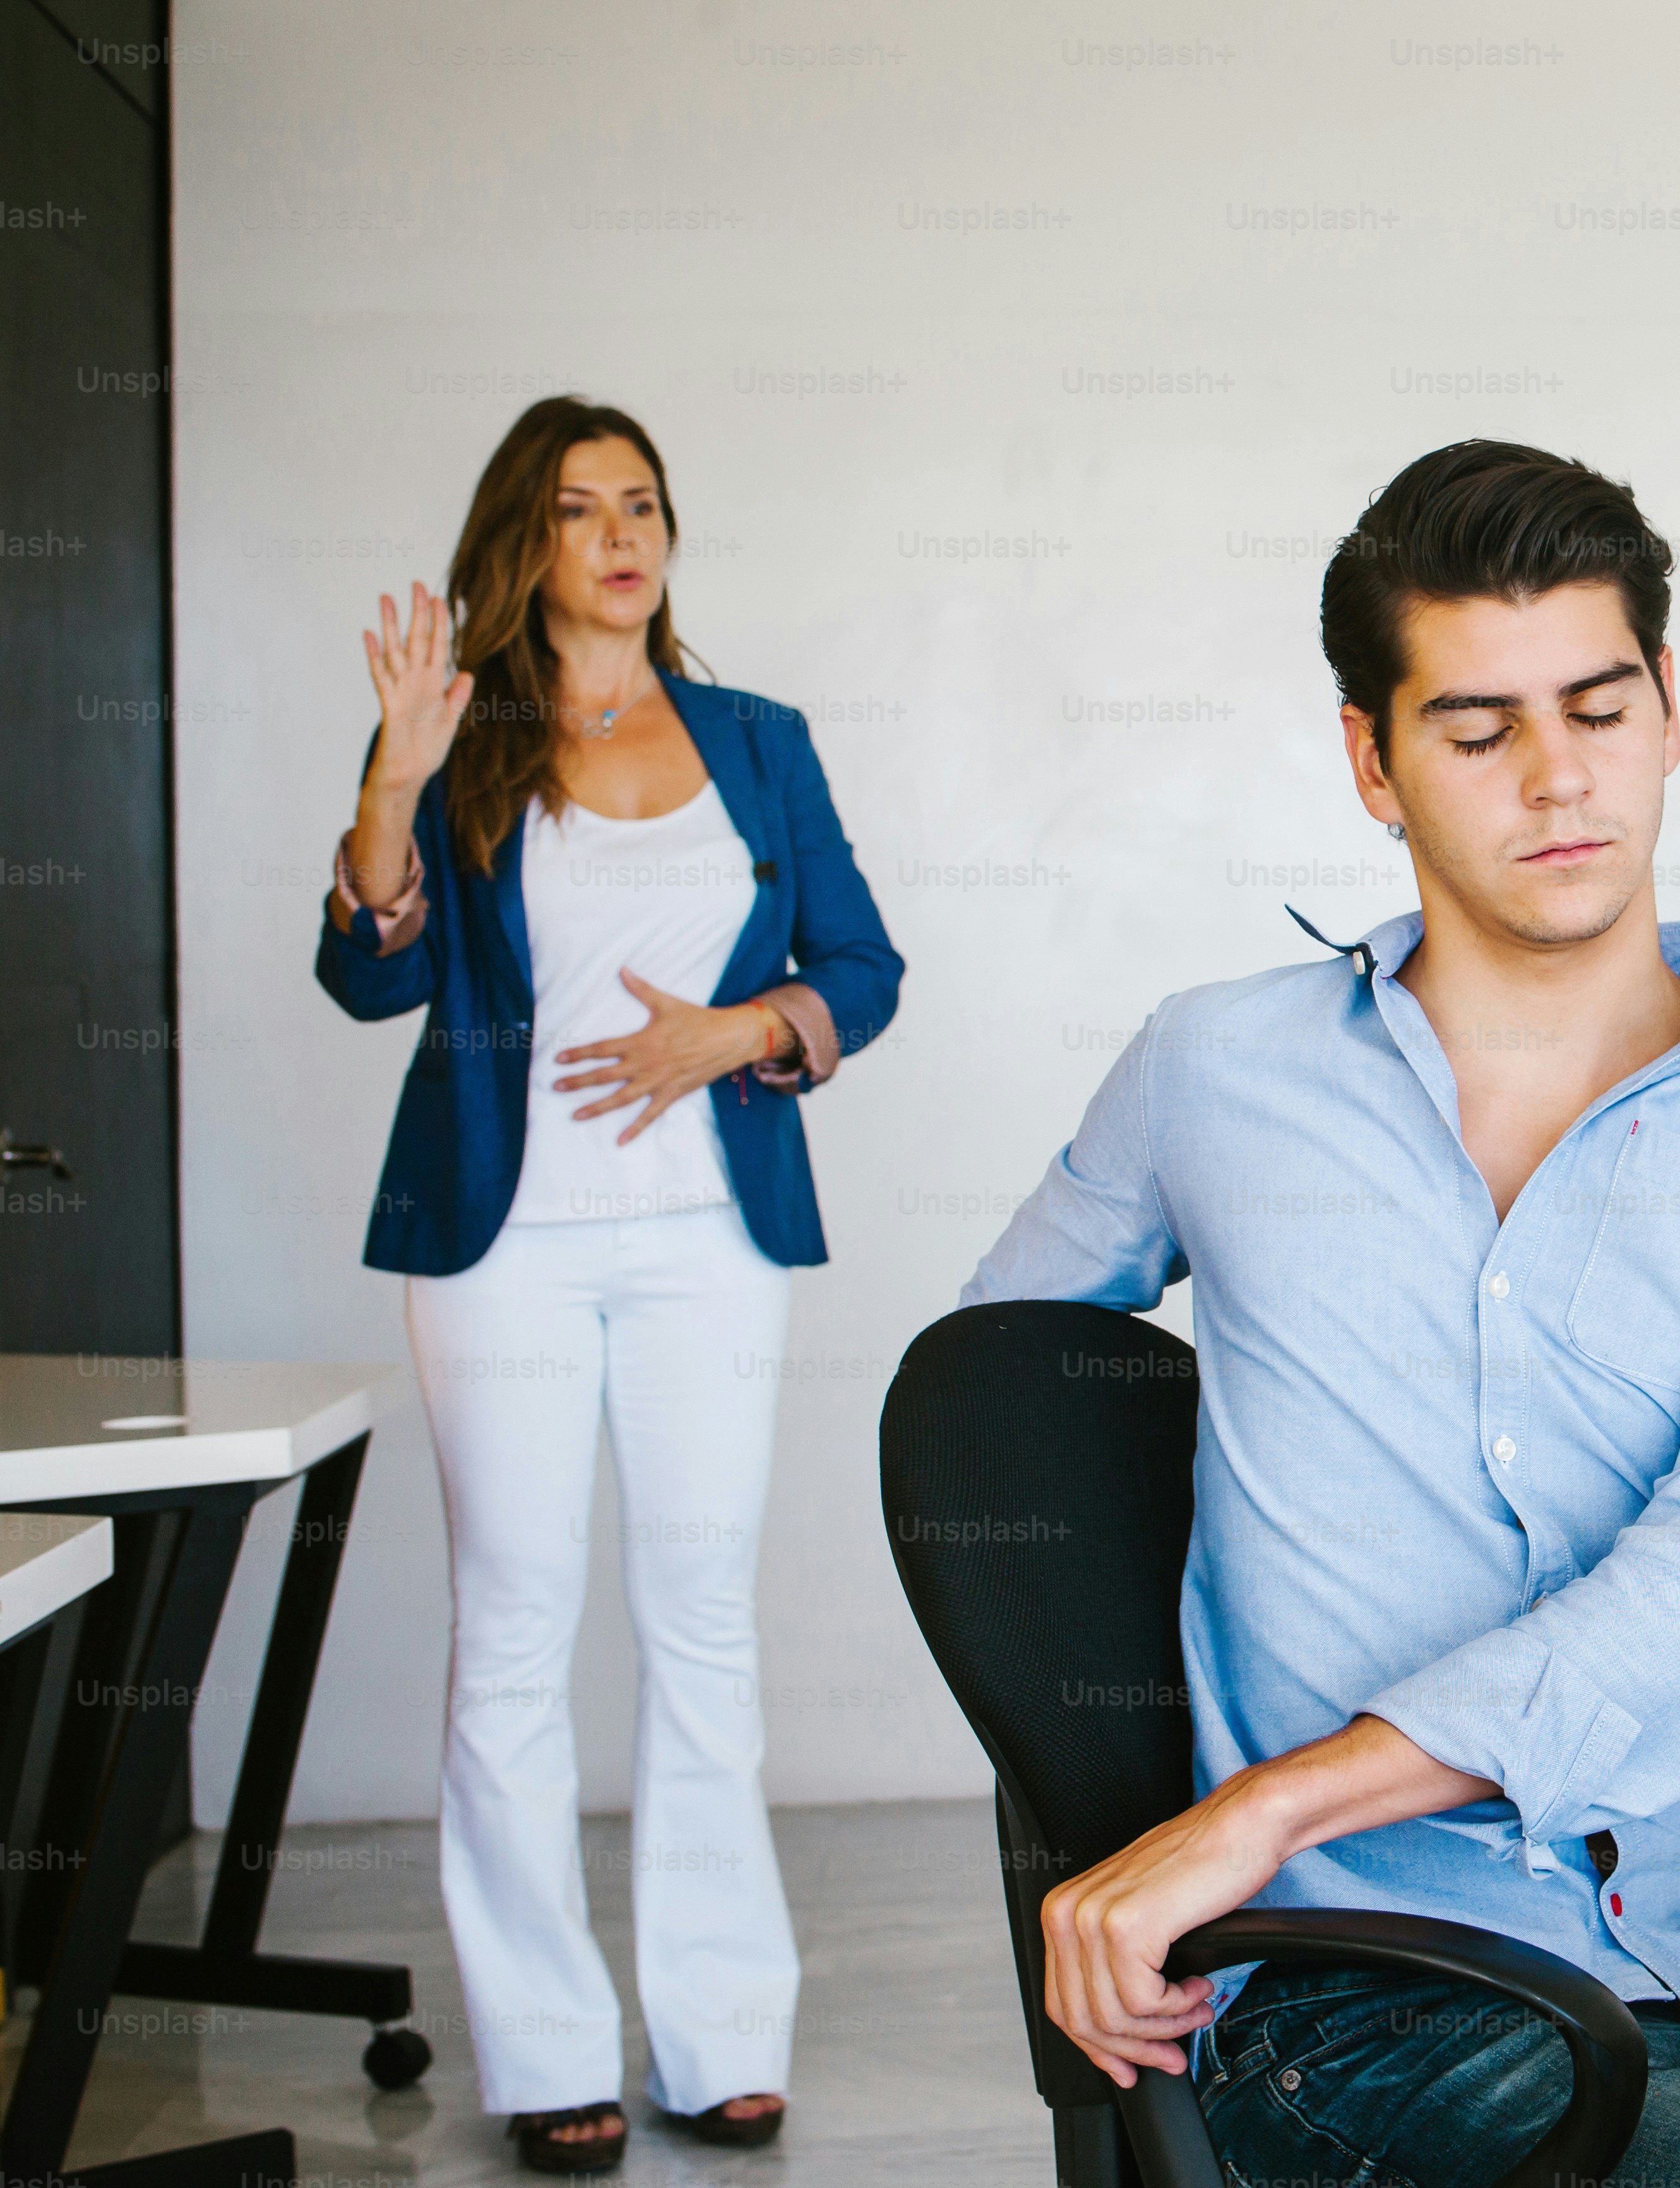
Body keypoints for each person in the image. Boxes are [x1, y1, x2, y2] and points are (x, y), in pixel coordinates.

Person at [963, 441, 1680, 2185]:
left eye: (1595, 708)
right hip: (1349, 1998)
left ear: (1668, 707)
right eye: (1477, 729)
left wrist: (1263, 1799)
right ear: (1372, 759)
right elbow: (986, 1425)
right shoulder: (1214, 1071)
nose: (1556, 781)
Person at [315, 397, 902, 2173]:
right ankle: (544, 2046)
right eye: (578, 510)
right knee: (511, 1619)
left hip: (703, 1242)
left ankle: (721, 2037)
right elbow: (362, 979)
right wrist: (391, 787)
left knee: (699, 1618)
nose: (620, 534)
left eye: (640, 502)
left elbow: (862, 965)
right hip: (502, 1241)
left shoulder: (757, 739)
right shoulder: (456, 734)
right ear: (528, 544)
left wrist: (744, 1030)